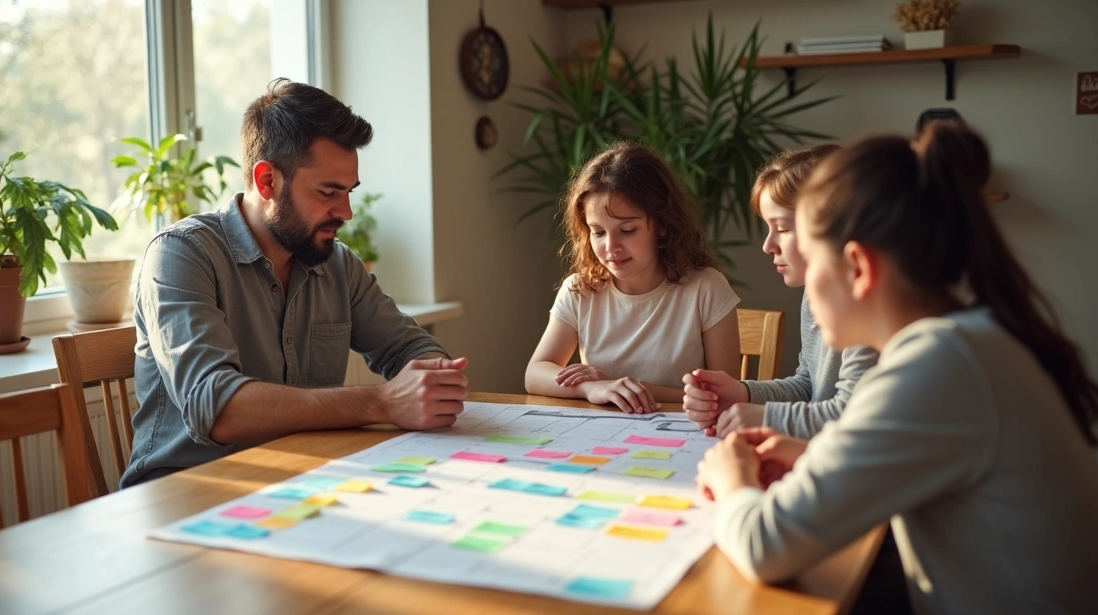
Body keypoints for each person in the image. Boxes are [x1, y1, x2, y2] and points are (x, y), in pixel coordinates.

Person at [695, 122, 1098, 615]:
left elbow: (763, 546)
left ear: (858, 268)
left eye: (813, 258)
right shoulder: (965, 341)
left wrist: (732, 480)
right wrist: (812, 455)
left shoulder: (939, 364)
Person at [122, 79, 468, 488]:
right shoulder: (180, 255)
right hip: (188, 492)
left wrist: (431, 380)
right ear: (267, 180)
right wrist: (384, 402)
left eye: (349, 192)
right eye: (328, 192)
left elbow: (410, 347)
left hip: (301, 482)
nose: (347, 212)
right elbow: (218, 408)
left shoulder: (337, 265)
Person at [524, 141, 741, 414]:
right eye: (598, 232)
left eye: (627, 230)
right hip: (605, 441)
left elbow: (725, 396)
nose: (611, 247)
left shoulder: (706, 288)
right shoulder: (580, 290)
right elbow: (535, 373)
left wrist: (624, 387)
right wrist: (594, 389)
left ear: (662, 225)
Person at [682, 145, 879, 439]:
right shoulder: (816, 294)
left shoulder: (871, 307)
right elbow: (808, 387)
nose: (768, 245)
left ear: (832, 226)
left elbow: (851, 417)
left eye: (783, 229)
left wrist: (765, 416)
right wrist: (743, 393)